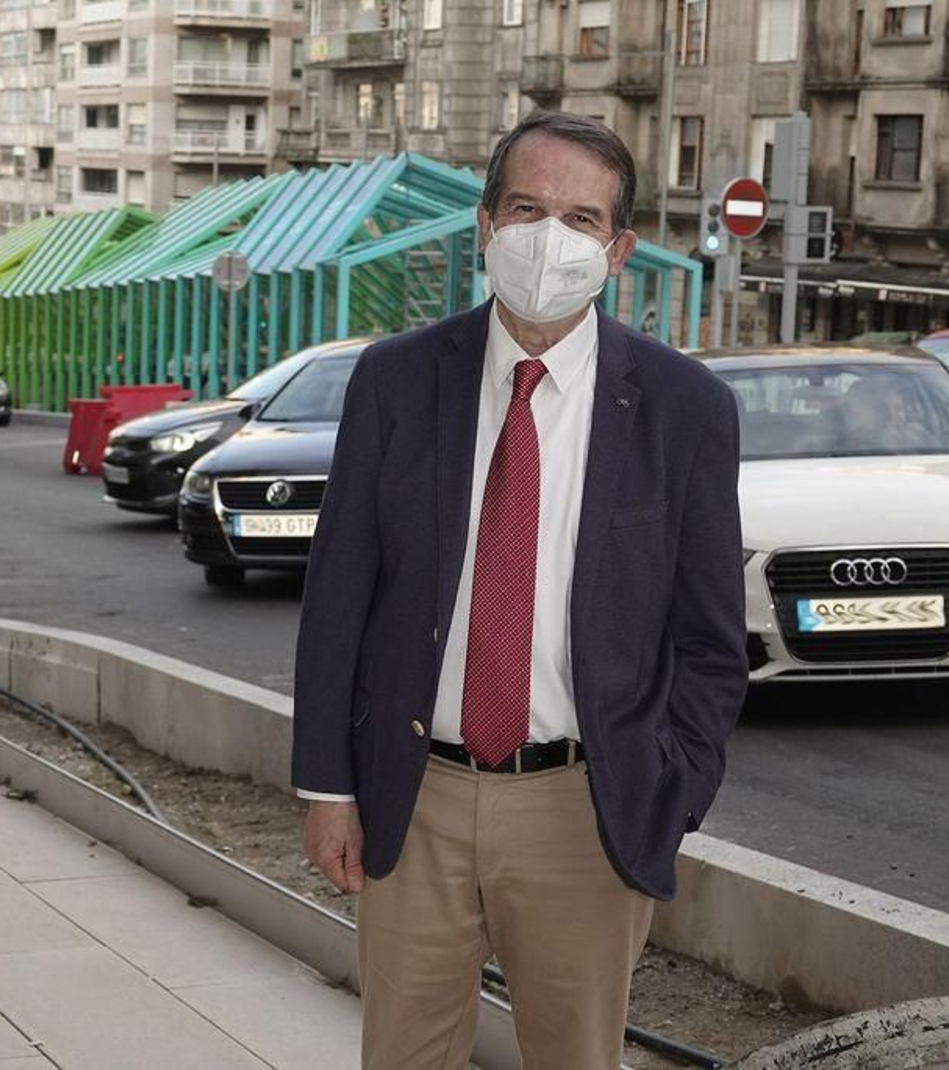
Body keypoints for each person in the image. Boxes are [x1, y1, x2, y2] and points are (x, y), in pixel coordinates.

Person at [292, 110, 749, 1069]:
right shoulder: (395, 380)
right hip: (413, 797)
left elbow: (710, 639)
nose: (551, 237)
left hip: (587, 808)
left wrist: (672, 789)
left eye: (581, 220)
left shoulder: (684, 408)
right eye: (529, 208)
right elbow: (340, 599)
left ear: (619, 249)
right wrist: (329, 787)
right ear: (486, 226)